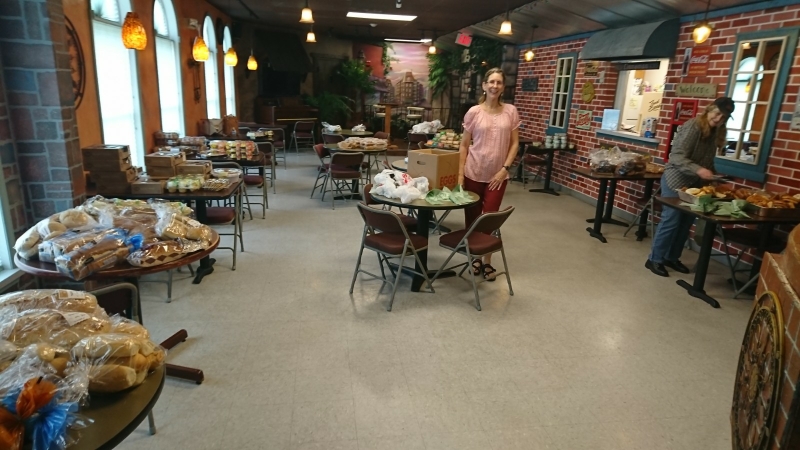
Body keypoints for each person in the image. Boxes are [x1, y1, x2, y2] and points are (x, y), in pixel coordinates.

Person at [645, 97, 734, 277]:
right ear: (709, 110)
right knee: (671, 220)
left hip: (694, 184)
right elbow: (676, 156)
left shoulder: (714, 132)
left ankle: (672, 257)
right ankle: (655, 259)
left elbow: (707, 161)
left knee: (685, 223)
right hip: (675, 179)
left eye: (723, 117)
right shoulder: (693, 126)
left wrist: (713, 176)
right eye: (717, 114)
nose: (718, 119)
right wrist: (699, 169)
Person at [458, 67, 520, 281]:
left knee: (490, 218)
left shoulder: (511, 111)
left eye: (499, 82)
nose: (495, 86)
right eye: (491, 82)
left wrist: (505, 169)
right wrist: (459, 176)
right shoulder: (474, 112)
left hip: (498, 176)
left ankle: (487, 262)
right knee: (472, 218)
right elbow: (464, 145)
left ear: (503, 87)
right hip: (473, 172)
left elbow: (515, 144)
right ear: (484, 85)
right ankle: (474, 258)